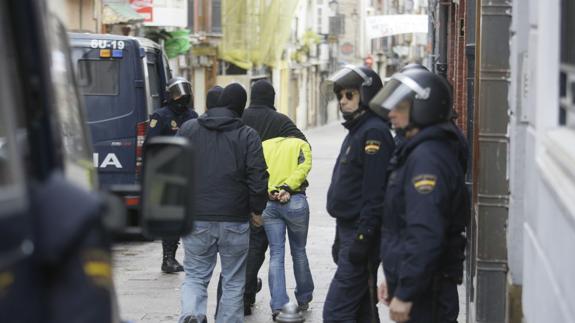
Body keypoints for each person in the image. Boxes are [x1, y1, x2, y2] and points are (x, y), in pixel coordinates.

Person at [369, 68, 469, 323]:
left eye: (400, 107)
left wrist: (406, 291)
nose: (391, 113)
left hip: (427, 292)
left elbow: (425, 231)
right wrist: (394, 281)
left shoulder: (428, 159)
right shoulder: (417, 151)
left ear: (425, 107)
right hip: (420, 285)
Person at [176, 83, 269, 323]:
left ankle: (192, 314)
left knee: (195, 275)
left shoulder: (188, 129)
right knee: (233, 281)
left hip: (196, 217)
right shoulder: (247, 134)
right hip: (235, 219)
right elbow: (258, 176)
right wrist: (257, 210)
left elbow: (173, 168)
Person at [323, 65, 395, 323]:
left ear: (366, 94)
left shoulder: (373, 132)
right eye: (340, 95)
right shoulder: (358, 130)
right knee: (362, 309)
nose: (343, 101)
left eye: (349, 95)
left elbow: (374, 193)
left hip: (359, 231)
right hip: (348, 229)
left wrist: (363, 238)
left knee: (336, 312)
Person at [238, 79, 307, 315]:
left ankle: (244, 299)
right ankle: (252, 295)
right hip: (268, 195)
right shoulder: (281, 121)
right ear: (272, 97)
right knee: (260, 247)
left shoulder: (240, 118)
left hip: (240, 195)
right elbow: (303, 146)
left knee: (247, 249)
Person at [146, 77, 198, 274]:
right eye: (178, 93)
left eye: (184, 92)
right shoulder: (161, 116)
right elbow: (152, 144)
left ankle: (178, 256)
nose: (182, 97)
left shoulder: (192, 115)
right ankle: (168, 258)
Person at [261, 136, 314, 320]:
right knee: (299, 251)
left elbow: (257, 171)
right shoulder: (301, 144)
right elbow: (304, 167)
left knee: (276, 253)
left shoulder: (264, 145)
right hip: (295, 200)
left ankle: (278, 303)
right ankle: (304, 296)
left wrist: (270, 190)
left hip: (269, 202)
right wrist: (288, 187)